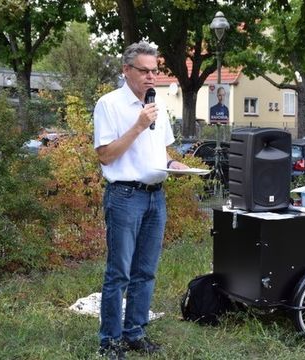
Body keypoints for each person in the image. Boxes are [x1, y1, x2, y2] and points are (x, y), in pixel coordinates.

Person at [93, 41, 188, 359]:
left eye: (155, 70)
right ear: (126, 71)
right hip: (124, 197)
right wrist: (137, 125)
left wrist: (175, 164)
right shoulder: (109, 105)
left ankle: (134, 333)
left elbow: (163, 151)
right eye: (145, 71)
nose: (151, 77)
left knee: (145, 271)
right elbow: (106, 156)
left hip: (155, 198)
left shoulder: (156, 104)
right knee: (118, 273)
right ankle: (109, 341)